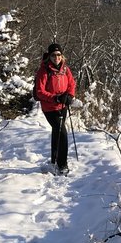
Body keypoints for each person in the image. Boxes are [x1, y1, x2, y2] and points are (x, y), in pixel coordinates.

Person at [33, 43, 76, 173]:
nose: (56, 57)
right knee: (62, 133)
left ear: (62, 56)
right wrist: (55, 98)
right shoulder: (44, 70)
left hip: (63, 105)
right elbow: (40, 91)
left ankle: (54, 159)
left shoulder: (65, 69)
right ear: (49, 56)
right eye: (53, 55)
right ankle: (62, 165)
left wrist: (70, 95)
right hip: (50, 107)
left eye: (58, 55)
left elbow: (72, 83)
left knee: (57, 131)